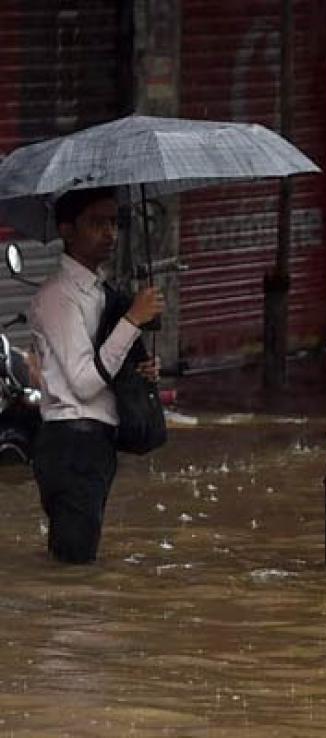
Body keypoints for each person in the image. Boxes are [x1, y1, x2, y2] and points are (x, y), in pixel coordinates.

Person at [29, 187, 164, 563]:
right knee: (74, 565)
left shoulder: (99, 293)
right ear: (67, 230)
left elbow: (105, 365)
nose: (110, 233)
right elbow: (85, 383)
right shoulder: (59, 296)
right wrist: (132, 320)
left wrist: (139, 372)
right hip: (72, 442)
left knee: (78, 559)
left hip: (96, 444)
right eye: (96, 223)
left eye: (113, 222)